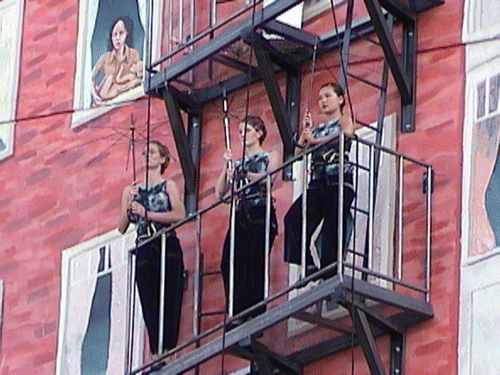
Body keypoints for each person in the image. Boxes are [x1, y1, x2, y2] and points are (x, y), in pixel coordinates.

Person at [118, 141, 185, 354]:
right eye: (145, 152)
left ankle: (169, 350)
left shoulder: (168, 185)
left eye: (153, 152)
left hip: (165, 240)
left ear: (163, 159)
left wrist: (148, 214)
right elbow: (121, 227)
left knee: (169, 295)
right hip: (144, 244)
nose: (147, 156)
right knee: (149, 298)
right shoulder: (131, 190)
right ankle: (157, 351)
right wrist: (128, 204)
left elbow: (179, 215)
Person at [284, 82, 355, 279]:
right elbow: (297, 154)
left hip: (338, 178)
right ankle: (306, 264)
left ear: (340, 99)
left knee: (333, 225)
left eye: (327, 96)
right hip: (317, 182)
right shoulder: (315, 130)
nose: (323, 101)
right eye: (320, 98)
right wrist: (305, 132)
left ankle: (329, 272)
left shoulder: (344, 119)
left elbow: (346, 134)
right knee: (293, 219)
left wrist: (314, 141)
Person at [215, 116, 280, 323]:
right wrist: (227, 169)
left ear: (260, 133)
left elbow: (270, 178)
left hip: (261, 209)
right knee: (230, 261)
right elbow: (220, 194)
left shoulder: (270, 155)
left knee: (255, 262)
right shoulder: (237, 162)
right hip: (241, 211)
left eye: (248, 130)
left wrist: (247, 174)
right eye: (241, 131)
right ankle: (236, 311)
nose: (243, 134)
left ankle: (255, 313)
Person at [91, 17, 143, 105]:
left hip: (125, 101)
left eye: (121, 33)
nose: (117, 38)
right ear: (111, 37)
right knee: (109, 78)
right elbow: (91, 76)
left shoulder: (133, 54)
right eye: (115, 34)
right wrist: (94, 94)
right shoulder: (106, 58)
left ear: (127, 34)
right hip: (104, 103)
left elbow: (138, 75)